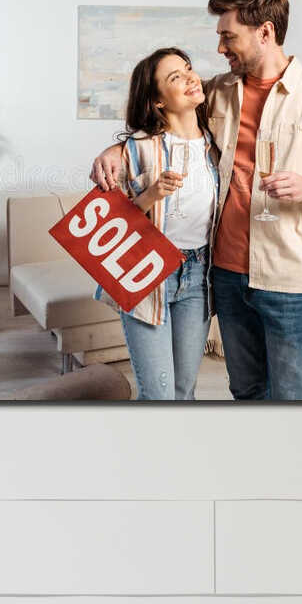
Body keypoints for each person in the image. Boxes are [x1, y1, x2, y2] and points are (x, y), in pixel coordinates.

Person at [92, 0, 302, 401]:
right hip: (223, 274)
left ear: (265, 32)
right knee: (247, 390)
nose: (220, 48)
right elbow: (162, 119)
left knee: (294, 394)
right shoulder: (218, 90)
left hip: (288, 276)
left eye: (228, 36)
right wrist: (118, 149)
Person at [107, 47, 221, 401]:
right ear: (157, 100)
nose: (190, 77)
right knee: (158, 396)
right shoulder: (137, 148)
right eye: (175, 77)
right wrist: (148, 197)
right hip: (147, 274)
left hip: (199, 275)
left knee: (183, 391)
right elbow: (107, 225)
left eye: (188, 69)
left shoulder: (217, 145)